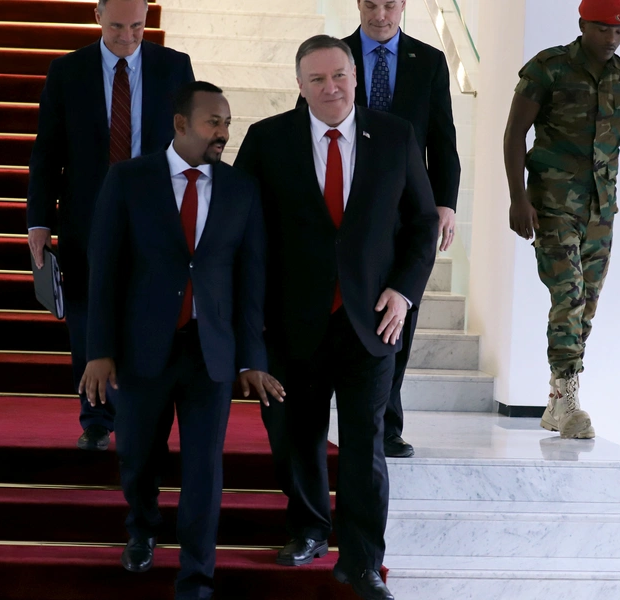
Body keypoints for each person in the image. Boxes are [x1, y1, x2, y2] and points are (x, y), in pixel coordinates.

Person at [235, 35, 438, 600]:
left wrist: (403, 291)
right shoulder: (267, 139)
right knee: (296, 436)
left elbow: (422, 225)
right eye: (317, 79)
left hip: (372, 322)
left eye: (340, 76)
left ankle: (362, 560)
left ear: (355, 74)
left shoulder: (396, 136)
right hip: (291, 320)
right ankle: (307, 531)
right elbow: (244, 231)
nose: (331, 88)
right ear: (299, 85)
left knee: (365, 444)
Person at [80, 81, 283, 600]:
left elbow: (250, 281)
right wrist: (98, 351)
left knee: (204, 468)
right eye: (214, 122)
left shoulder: (241, 189)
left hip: (209, 354)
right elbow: (104, 272)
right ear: (180, 124)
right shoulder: (128, 180)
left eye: (228, 123)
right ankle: (143, 529)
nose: (223, 133)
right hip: (143, 348)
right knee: (139, 456)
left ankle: (197, 575)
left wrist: (251, 357)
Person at [504, 0, 620, 439]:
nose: (611, 39)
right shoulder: (548, 68)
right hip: (551, 202)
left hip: (601, 209)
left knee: (586, 305)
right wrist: (517, 198)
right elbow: (514, 134)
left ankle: (556, 397)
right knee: (568, 293)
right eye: (603, 30)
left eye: (619, 32)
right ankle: (568, 397)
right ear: (583, 23)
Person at [26, 0, 195, 451]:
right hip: (87, 214)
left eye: (137, 27)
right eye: (118, 26)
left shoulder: (175, 67)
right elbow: (47, 150)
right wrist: (38, 221)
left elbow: (193, 142)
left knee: (149, 311)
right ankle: (96, 419)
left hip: (157, 213)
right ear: (97, 16)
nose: (127, 37)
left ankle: (142, 413)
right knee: (86, 315)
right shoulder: (68, 71)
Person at [344, 0, 461, 458]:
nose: (380, 14)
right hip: (345, 206)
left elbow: (443, 138)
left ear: (403, 6)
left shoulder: (428, 61)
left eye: (389, 4)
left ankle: (386, 426)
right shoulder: (335, 56)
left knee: (398, 318)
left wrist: (445, 202)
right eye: (370, 4)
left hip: (404, 209)